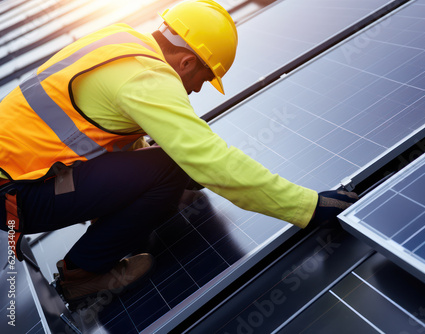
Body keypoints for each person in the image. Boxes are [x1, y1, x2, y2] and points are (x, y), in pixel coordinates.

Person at [0, 0, 357, 310]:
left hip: (20, 178)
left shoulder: (120, 40)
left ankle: (104, 227)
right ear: (186, 62)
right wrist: (306, 207)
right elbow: (209, 158)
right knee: (171, 167)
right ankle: (83, 273)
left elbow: (93, 122)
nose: (198, 88)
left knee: (167, 166)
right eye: (204, 77)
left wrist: (145, 154)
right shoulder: (148, 78)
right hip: (17, 197)